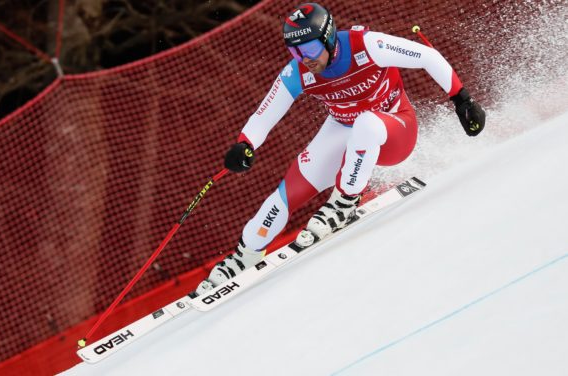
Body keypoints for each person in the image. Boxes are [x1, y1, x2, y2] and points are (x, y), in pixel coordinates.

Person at [195, 2, 485, 294]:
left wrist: (462, 99)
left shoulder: (366, 45)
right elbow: (264, 115)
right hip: (343, 129)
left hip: (394, 130)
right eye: (295, 51)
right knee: (288, 191)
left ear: (328, 38)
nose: (303, 59)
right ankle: (245, 255)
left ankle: (345, 202)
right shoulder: (299, 72)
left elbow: (427, 56)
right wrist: (245, 145)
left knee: (367, 124)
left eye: (308, 50)